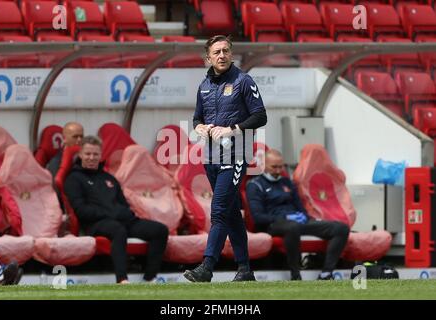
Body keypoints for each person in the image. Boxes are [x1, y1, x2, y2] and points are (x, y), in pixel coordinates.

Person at [183, 35, 267, 282]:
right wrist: (199, 128)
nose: (221, 55)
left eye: (225, 51)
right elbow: (197, 118)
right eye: (216, 52)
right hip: (211, 157)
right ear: (208, 57)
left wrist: (233, 129)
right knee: (230, 212)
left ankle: (207, 267)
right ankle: (245, 269)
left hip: (236, 154)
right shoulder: (204, 86)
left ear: (231, 54)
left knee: (219, 209)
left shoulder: (243, 81)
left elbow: (260, 116)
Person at [64, 136, 169, 284]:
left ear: (101, 155)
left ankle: (149, 278)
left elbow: (123, 204)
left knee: (160, 230)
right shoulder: (74, 179)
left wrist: (125, 213)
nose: (91, 158)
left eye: (95, 154)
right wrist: (111, 213)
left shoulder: (108, 178)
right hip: (95, 224)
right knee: (118, 230)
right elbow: (82, 211)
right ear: (80, 154)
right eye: (88, 154)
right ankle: (122, 279)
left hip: (121, 220)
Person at [246, 149, 350, 280]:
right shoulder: (255, 185)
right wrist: (285, 217)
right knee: (292, 227)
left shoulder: (287, 182)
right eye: (274, 167)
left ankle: (326, 273)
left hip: (296, 221)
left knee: (341, 228)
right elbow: (258, 217)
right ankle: (295, 273)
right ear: (263, 165)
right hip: (273, 224)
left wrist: (304, 216)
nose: (278, 170)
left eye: (281, 166)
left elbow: (300, 207)